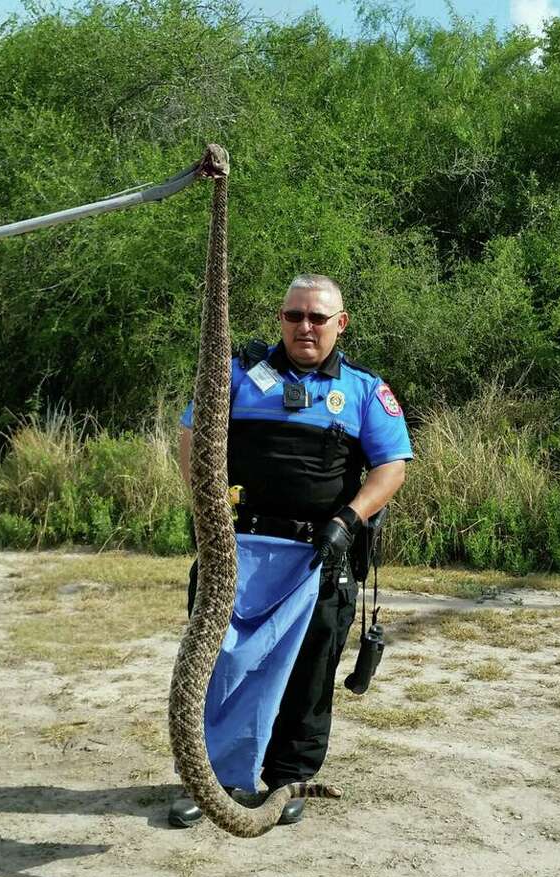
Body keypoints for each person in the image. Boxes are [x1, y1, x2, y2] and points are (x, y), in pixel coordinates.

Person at [170, 273, 412, 827]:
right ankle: (212, 783)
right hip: (237, 550)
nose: (304, 326)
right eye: (293, 315)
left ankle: (288, 777)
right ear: (281, 319)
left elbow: (391, 467)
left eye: (317, 317)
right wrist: (207, 509)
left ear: (339, 324)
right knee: (218, 666)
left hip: (318, 557)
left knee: (309, 673)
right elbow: (190, 437)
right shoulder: (237, 375)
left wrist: (348, 520)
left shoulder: (363, 390)